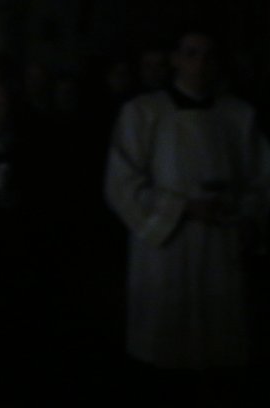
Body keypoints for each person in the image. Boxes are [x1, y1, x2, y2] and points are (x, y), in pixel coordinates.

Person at [104, 28, 270, 401]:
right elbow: (121, 184)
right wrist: (182, 208)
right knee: (165, 356)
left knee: (217, 357)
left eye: (209, 55)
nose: (200, 63)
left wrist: (242, 210)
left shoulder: (239, 116)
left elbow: (262, 181)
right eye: (191, 53)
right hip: (166, 250)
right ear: (175, 59)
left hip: (220, 247)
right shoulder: (142, 113)